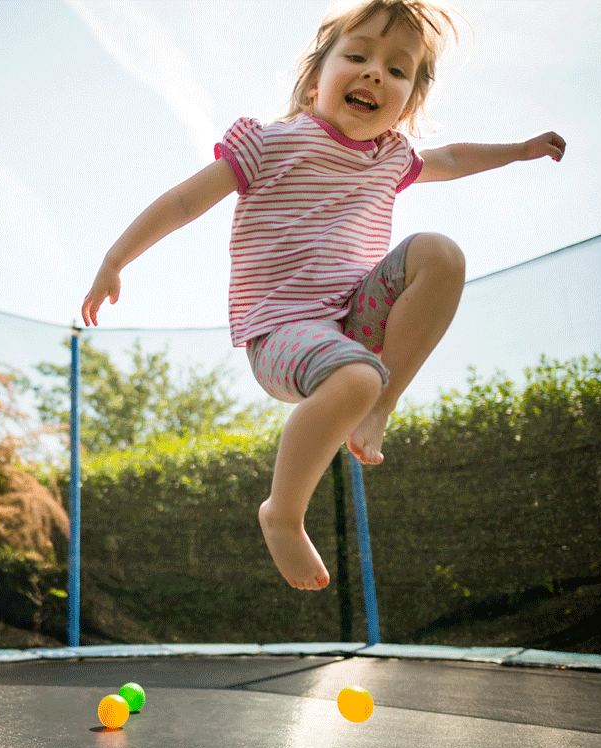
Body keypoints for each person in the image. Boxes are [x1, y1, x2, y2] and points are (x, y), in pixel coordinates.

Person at [80, 0, 565, 591]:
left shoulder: (393, 159)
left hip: (353, 318)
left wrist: (519, 150)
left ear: (406, 105)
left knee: (440, 253)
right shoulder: (270, 144)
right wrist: (114, 259)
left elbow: (454, 157)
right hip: (281, 330)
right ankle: (282, 512)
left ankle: (377, 411)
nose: (373, 74)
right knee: (356, 377)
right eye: (357, 57)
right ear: (314, 85)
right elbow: (186, 201)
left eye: (395, 69)